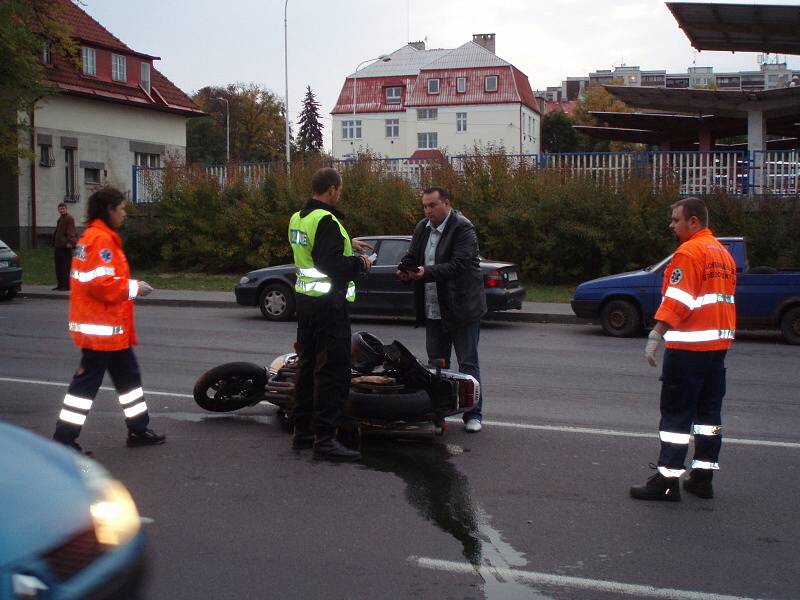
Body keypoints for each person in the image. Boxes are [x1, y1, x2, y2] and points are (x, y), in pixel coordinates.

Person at [630, 197, 736, 502]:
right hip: (716, 349)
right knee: (708, 419)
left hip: (689, 349)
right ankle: (702, 478)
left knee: (676, 418)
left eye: (676, 220)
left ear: (693, 222)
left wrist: (656, 333)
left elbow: (680, 299)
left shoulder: (689, 251)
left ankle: (666, 482)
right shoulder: (721, 253)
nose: (671, 225)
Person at [53, 187, 165, 453]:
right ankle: (63, 441)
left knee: (128, 379)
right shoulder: (100, 240)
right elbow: (101, 285)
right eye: (122, 208)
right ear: (109, 210)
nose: (124, 213)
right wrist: (134, 288)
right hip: (101, 331)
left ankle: (138, 429)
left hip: (110, 331)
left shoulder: (98, 237)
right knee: (85, 387)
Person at [288, 167, 372, 462]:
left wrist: (350, 246)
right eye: (340, 189)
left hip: (307, 305)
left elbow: (315, 253)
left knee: (307, 368)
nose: (340, 193)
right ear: (333, 189)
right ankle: (325, 439)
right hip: (329, 307)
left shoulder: (300, 217)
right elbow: (331, 265)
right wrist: (360, 263)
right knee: (332, 372)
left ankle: (303, 433)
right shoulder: (327, 220)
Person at [397, 187, 487, 432]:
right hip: (433, 306)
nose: (427, 211)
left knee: (467, 364)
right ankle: (439, 414)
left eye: (432, 206)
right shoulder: (422, 228)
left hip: (462, 307)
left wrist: (426, 272)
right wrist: (405, 272)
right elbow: (412, 257)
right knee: (437, 365)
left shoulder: (463, 227)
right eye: (424, 206)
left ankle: (473, 415)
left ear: (446, 203)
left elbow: (459, 265)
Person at [53, 202, 78, 291]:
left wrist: (70, 242)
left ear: (66, 209)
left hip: (65, 245)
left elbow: (71, 231)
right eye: (60, 209)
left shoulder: (69, 218)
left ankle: (66, 285)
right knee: (58, 266)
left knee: (65, 266)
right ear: (58, 210)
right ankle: (60, 284)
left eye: (63, 208)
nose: (62, 210)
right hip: (59, 245)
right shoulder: (61, 219)